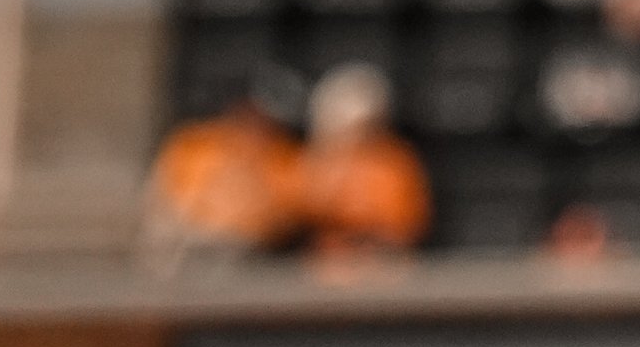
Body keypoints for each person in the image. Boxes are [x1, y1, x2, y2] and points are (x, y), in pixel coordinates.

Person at [143, 82, 307, 266]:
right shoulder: (196, 147)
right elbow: (171, 209)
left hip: (256, 257)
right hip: (190, 250)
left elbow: (290, 211)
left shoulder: (280, 154)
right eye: (254, 115)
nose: (259, 127)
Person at [294, 63, 433, 259]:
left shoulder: (394, 162)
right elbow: (296, 217)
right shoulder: (309, 162)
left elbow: (406, 226)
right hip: (322, 268)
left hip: (383, 264)